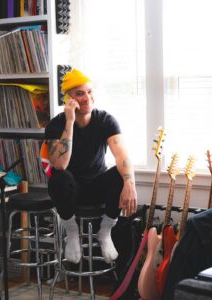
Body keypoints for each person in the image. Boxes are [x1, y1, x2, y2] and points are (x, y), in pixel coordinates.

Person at [45, 68, 138, 264]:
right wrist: (69, 122)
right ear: (68, 99)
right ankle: (71, 232)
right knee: (58, 177)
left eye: (89, 91)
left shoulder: (106, 120)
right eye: (79, 93)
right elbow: (60, 164)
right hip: (71, 191)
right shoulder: (56, 124)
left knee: (121, 174)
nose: (87, 97)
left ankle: (105, 232)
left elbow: (121, 155)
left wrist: (130, 183)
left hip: (97, 187)